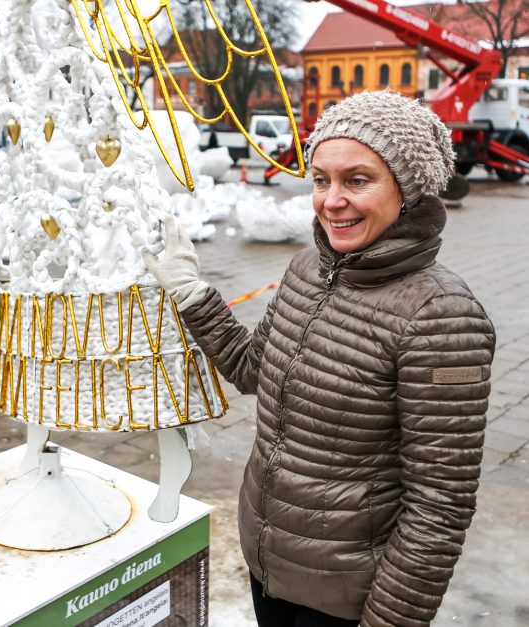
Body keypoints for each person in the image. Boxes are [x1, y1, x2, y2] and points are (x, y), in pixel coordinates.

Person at [143, 90, 495, 626]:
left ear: (409, 189)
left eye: (357, 180)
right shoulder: (309, 269)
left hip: (344, 599)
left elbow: (438, 509)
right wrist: (192, 292)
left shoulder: (442, 316)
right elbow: (251, 369)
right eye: (321, 179)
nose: (331, 200)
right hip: (270, 565)